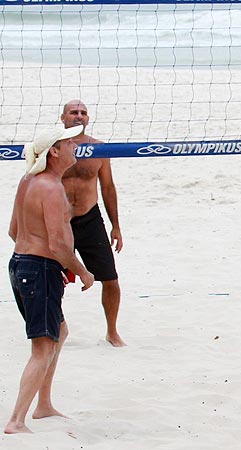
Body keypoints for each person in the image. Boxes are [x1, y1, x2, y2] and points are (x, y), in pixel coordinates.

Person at [4, 125, 95, 434]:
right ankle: (17, 421)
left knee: (59, 330)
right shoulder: (52, 188)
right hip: (38, 270)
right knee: (42, 348)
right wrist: (82, 270)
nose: (75, 147)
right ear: (54, 151)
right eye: (70, 143)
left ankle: (44, 405)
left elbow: (14, 231)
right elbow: (57, 245)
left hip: (20, 265)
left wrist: (36, 252)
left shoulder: (27, 180)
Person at [60, 100, 126, 347]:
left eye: (83, 113)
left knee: (110, 279)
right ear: (62, 117)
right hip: (59, 219)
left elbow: (107, 187)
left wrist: (116, 225)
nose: (79, 116)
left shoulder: (99, 148)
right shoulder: (52, 147)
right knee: (51, 279)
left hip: (90, 218)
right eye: (73, 112)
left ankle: (112, 332)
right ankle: (55, 327)